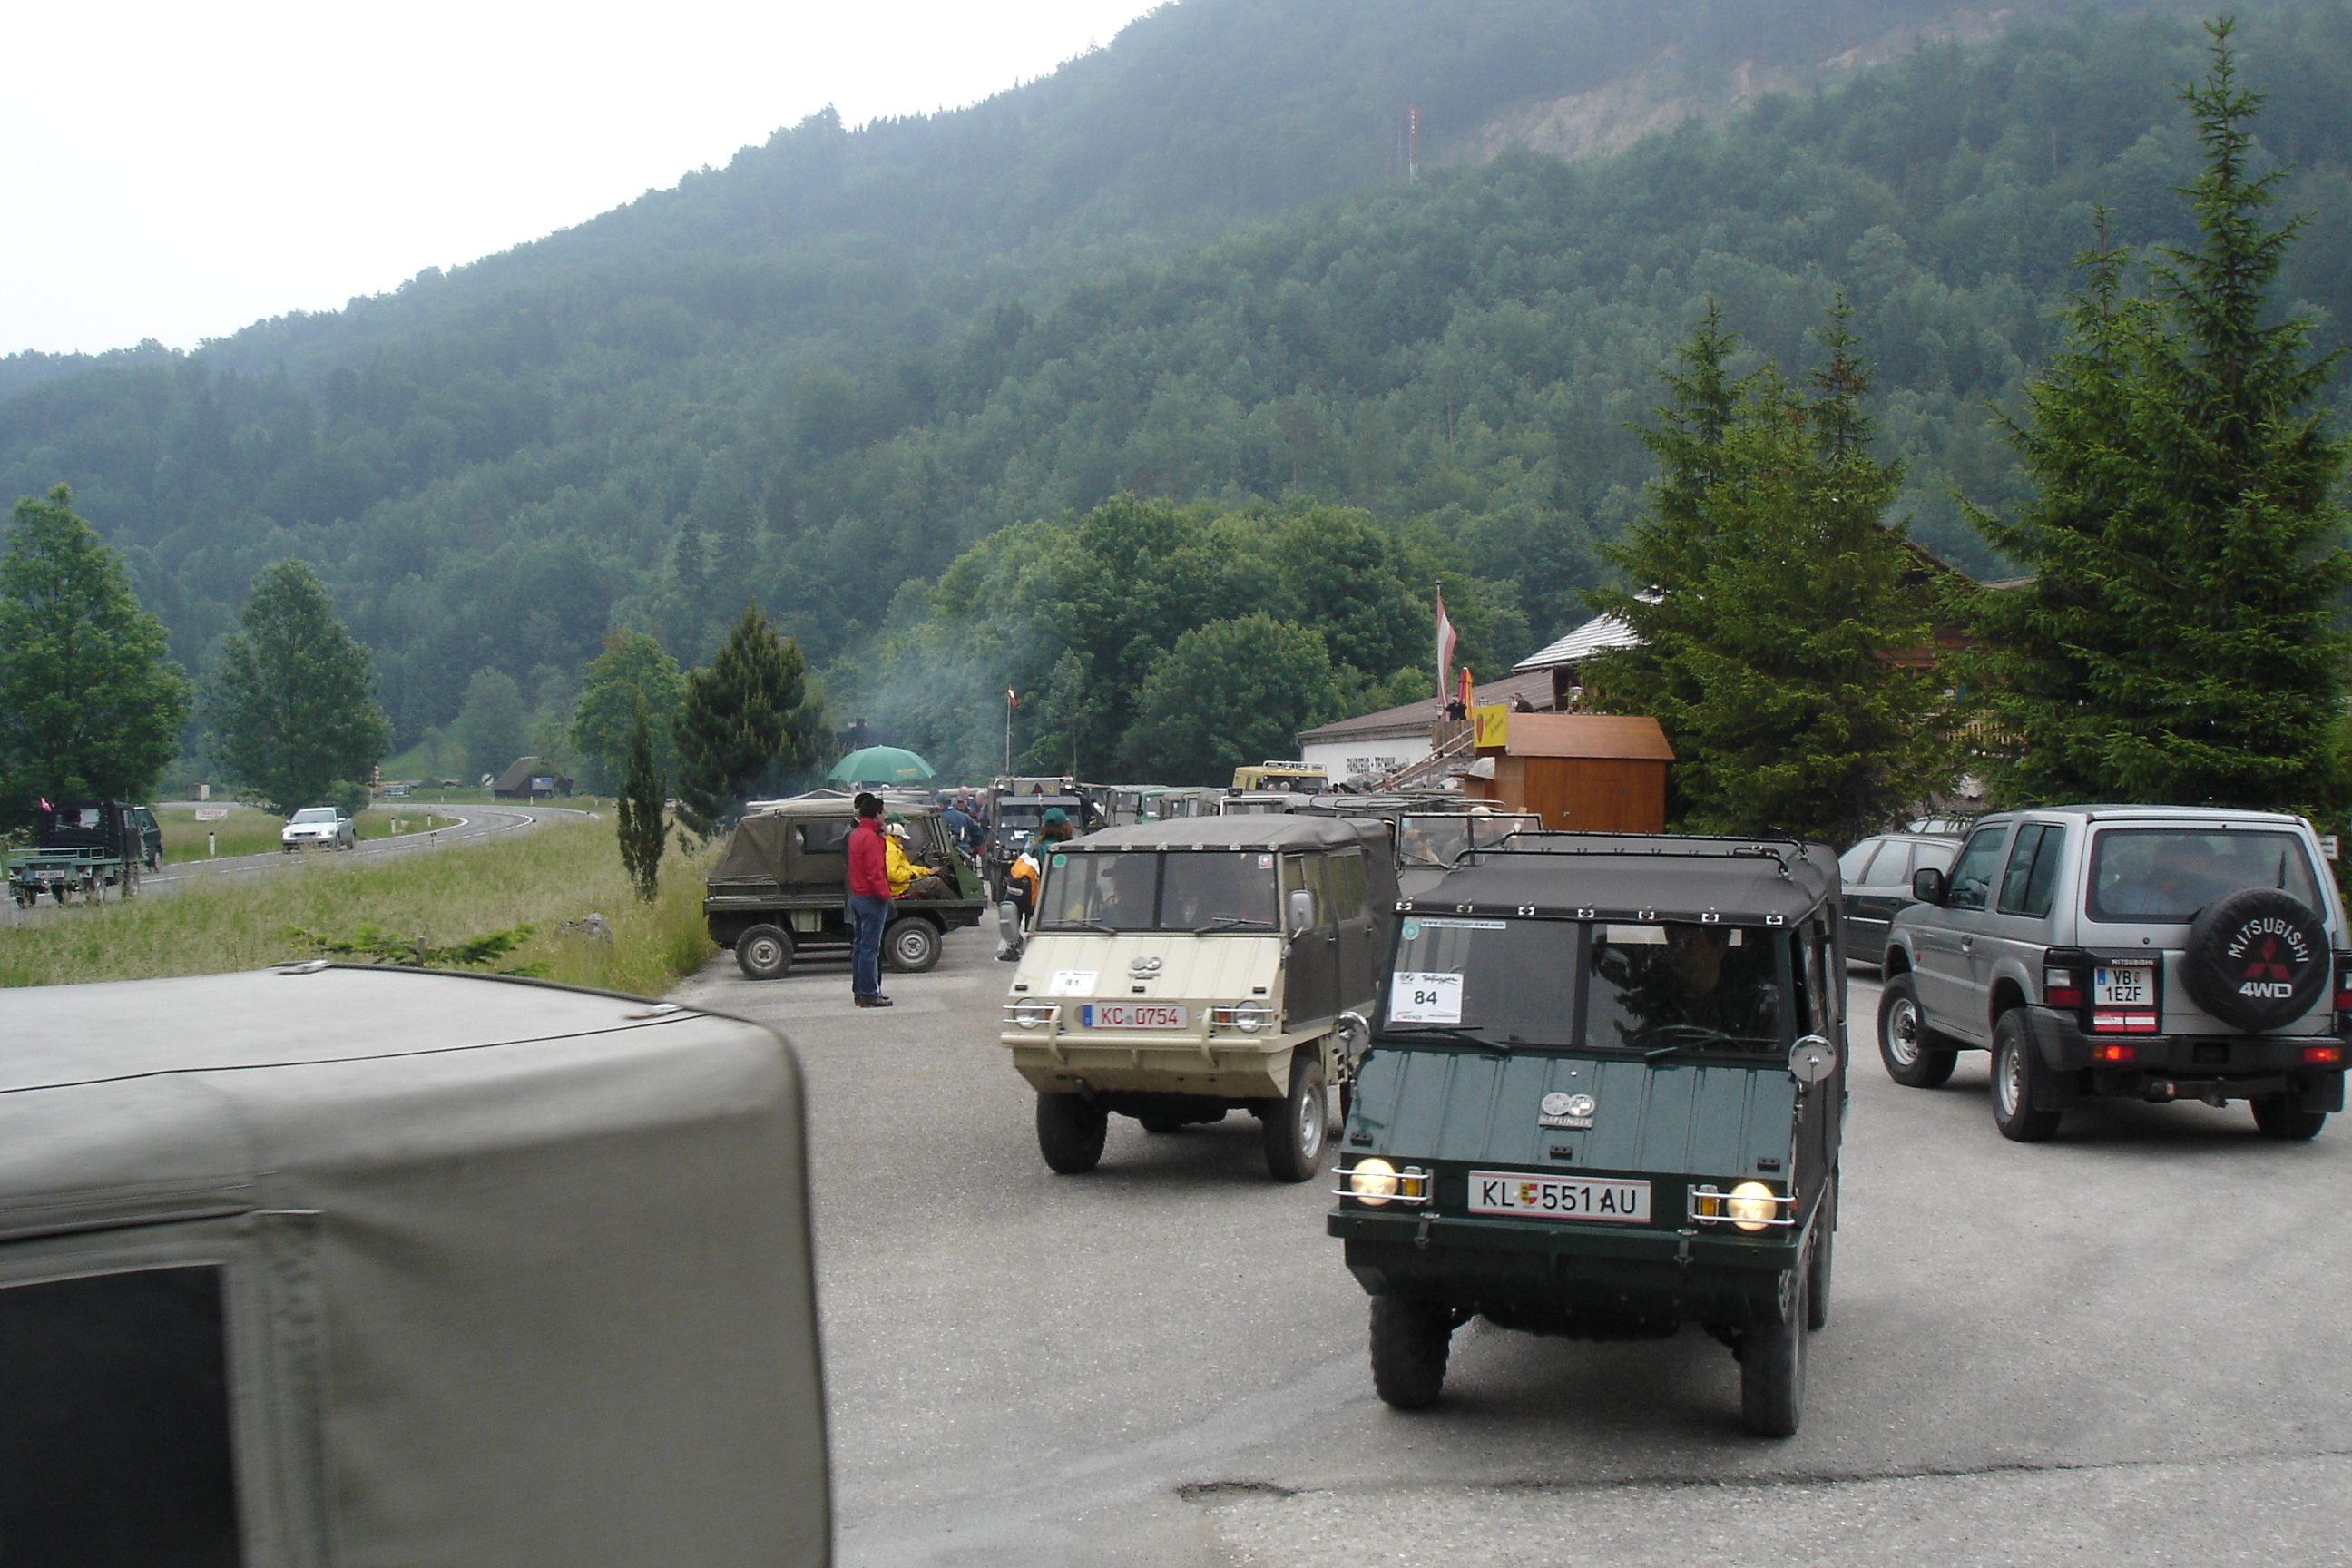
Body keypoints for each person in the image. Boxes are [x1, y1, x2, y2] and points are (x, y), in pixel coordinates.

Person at [846, 793, 892, 1007]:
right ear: (876, 814)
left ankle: (860, 990)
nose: (886, 816)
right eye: (883, 812)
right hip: (871, 896)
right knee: (870, 948)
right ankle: (869, 992)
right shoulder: (871, 838)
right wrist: (885, 894)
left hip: (857, 894)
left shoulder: (856, 834)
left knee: (860, 945)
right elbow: (875, 871)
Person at [885, 818, 950, 900]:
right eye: (901, 838)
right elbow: (892, 874)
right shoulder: (891, 850)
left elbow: (907, 868)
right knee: (935, 882)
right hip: (901, 889)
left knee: (929, 888)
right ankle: (953, 906)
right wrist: (910, 875)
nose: (902, 841)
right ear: (896, 836)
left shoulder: (892, 847)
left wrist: (927, 871)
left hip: (901, 886)